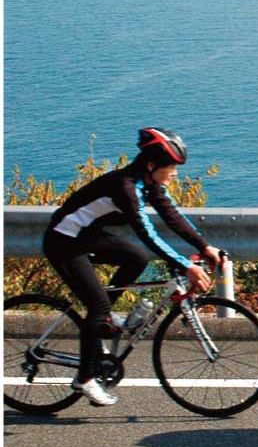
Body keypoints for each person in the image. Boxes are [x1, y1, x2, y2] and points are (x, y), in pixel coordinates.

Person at [43, 128, 221, 407]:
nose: (175, 173)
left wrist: (204, 246)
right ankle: (85, 379)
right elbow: (149, 234)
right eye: (171, 167)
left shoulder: (148, 183)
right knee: (98, 305)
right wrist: (187, 266)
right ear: (152, 165)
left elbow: (172, 216)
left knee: (137, 258)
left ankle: (104, 321)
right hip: (64, 243)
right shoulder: (126, 188)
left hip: (87, 237)